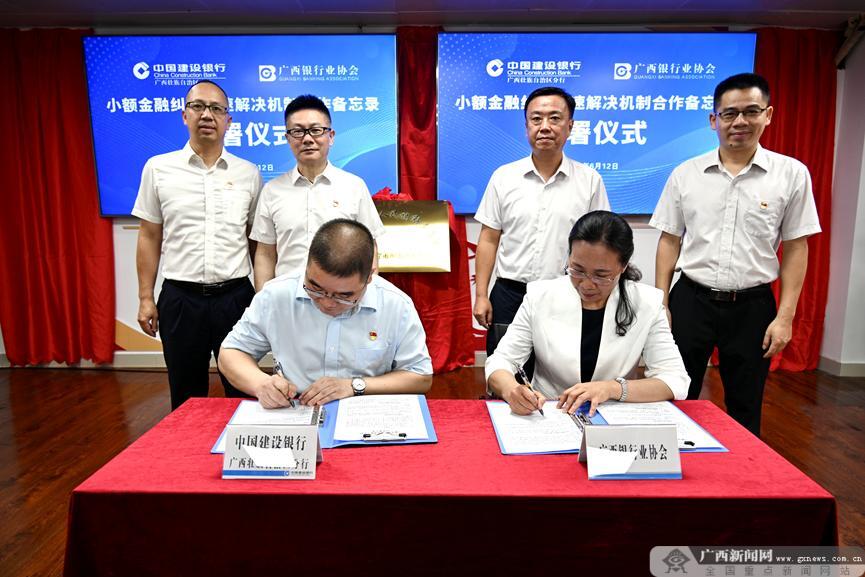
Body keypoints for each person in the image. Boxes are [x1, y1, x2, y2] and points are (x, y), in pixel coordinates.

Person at [650, 72, 821, 436]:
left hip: (752, 308)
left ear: (768, 115)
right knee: (675, 395)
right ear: (714, 120)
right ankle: (673, 465)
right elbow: (669, 240)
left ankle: (742, 471)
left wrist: (786, 317)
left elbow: (796, 246)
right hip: (691, 301)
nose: (740, 121)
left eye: (751, 111)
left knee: (745, 405)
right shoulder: (686, 174)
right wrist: (661, 302)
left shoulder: (791, 175)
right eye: (729, 113)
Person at [133, 80, 262, 410]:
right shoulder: (158, 168)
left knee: (243, 391)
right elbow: (149, 236)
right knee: (186, 395)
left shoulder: (248, 173)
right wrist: (146, 298)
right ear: (184, 115)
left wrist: (262, 297)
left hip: (235, 298)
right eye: (198, 106)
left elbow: (256, 240)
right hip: (180, 300)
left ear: (228, 120)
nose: (207, 115)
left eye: (216, 109)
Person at [486, 211, 688, 416]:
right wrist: (512, 390)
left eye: (601, 275)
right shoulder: (540, 296)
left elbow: (675, 380)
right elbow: (500, 361)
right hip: (551, 413)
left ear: (623, 266)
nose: (587, 284)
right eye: (577, 270)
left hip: (612, 415)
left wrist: (611, 388)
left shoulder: (647, 304)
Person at [219, 219, 432, 408]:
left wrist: (354, 386)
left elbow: (420, 377)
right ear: (307, 266)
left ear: (369, 278)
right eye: (315, 288)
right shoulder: (277, 295)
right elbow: (231, 353)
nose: (327, 303)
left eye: (344, 295)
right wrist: (261, 384)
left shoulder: (396, 305)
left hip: (366, 409)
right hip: (295, 409)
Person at [473, 86, 610, 360]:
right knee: (505, 369)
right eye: (536, 119)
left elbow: (600, 244)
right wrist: (481, 295)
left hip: (566, 293)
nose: (545, 126)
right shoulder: (504, 177)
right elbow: (489, 238)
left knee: (563, 370)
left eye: (555, 118)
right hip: (510, 294)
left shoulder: (589, 180)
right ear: (527, 127)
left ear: (570, 126)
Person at [250, 94, 385, 290]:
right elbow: (265, 254)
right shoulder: (272, 190)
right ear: (288, 138)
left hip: (340, 297)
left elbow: (369, 247)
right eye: (297, 131)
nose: (307, 139)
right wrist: (263, 300)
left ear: (331, 136)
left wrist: (362, 295)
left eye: (315, 130)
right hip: (286, 298)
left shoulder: (354, 186)